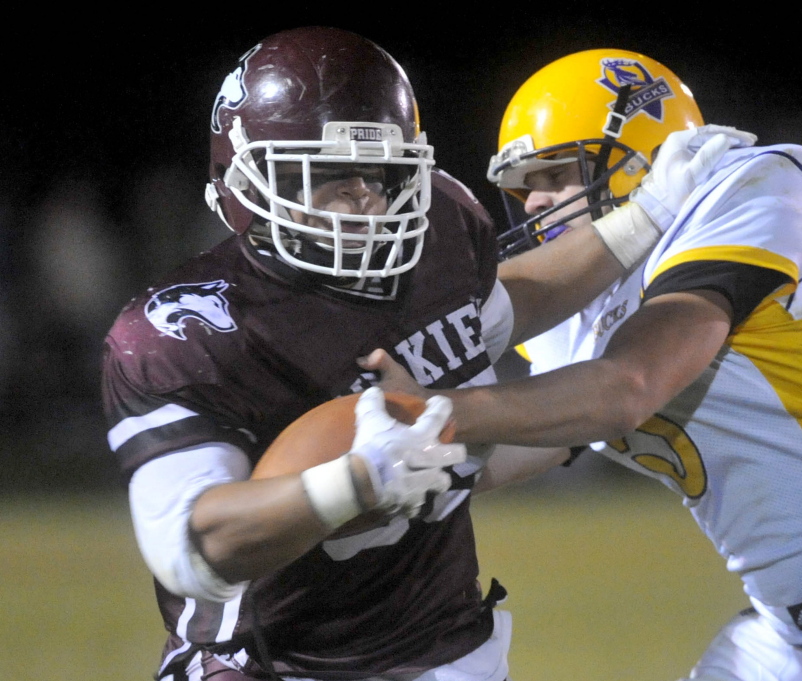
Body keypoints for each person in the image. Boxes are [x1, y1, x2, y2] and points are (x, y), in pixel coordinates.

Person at [101, 30, 740, 681]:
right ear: (246, 178)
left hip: (447, 645)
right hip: (276, 661)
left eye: (377, 172)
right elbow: (190, 548)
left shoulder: (438, 231)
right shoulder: (187, 327)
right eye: (325, 173)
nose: (363, 198)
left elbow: (502, 312)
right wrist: (353, 480)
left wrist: (648, 214)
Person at [364, 49, 802, 680]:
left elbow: (629, 385)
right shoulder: (582, 307)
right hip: (781, 638)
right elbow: (540, 436)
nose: (534, 203)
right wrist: (376, 472)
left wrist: (440, 412)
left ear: (646, 156)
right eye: (523, 186)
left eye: (556, 174)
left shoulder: (751, 187)